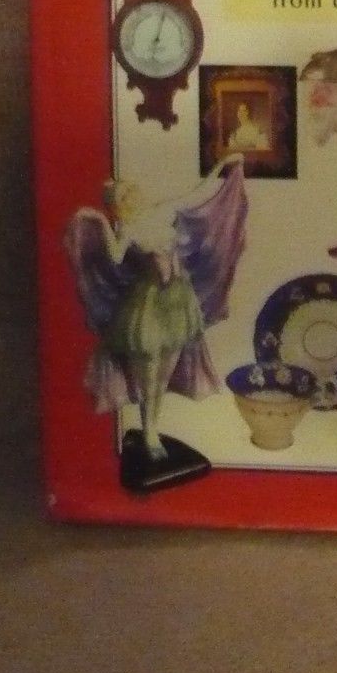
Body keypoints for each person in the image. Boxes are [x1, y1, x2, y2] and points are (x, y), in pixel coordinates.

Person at [65, 155, 247, 461]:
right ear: (117, 205)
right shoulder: (128, 229)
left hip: (178, 301)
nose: (130, 198)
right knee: (149, 372)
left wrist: (222, 166)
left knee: (165, 371)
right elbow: (116, 257)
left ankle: (153, 427)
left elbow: (197, 192)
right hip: (147, 305)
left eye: (130, 192)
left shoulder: (162, 210)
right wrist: (100, 222)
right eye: (122, 198)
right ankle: (149, 432)